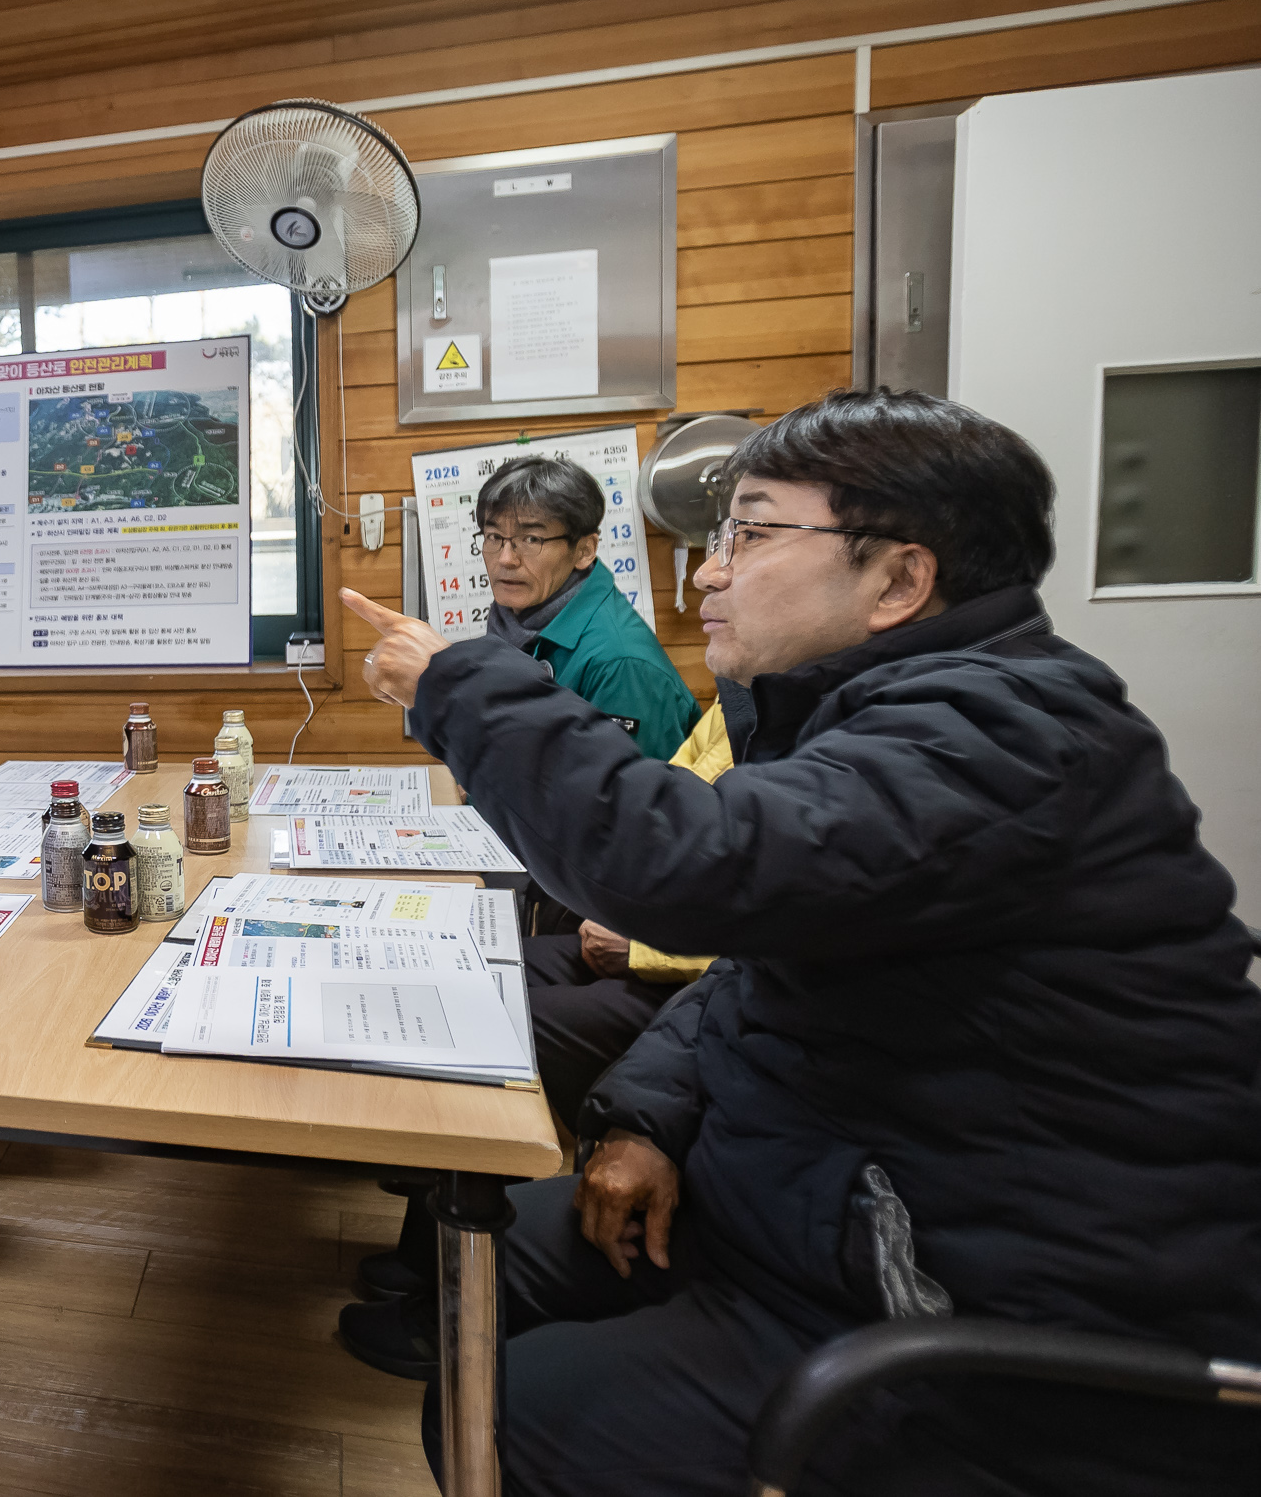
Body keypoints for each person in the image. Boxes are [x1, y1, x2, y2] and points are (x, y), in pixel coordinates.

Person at [343, 388, 1261, 1496]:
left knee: (517, 1408)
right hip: (813, 1207)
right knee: (480, 1263)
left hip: (964, 1303)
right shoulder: (862, 711)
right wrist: (647, 1117)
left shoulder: (1005, 730)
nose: (705, 572)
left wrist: (454, 683)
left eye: (750, 531)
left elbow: (681, 869)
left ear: (899, 579)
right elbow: (755, 965)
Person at [338, 698, 730, 1373]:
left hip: (677, 971)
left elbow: (755, 939)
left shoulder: (628, 667)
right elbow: (654, 821)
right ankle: (421, 1253)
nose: (711, 582)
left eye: (739, 578)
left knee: (488, 1033)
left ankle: (440, 1314)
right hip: (637, 934)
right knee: (458, 981)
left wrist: (642, 948)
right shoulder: (746, 692)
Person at [470, 453, 698, 759]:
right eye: (494, 536)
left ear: (584, 550)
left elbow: (628, 799)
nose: (505, 559)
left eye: (532, 539)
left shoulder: (621, 664)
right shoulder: (512, 624)